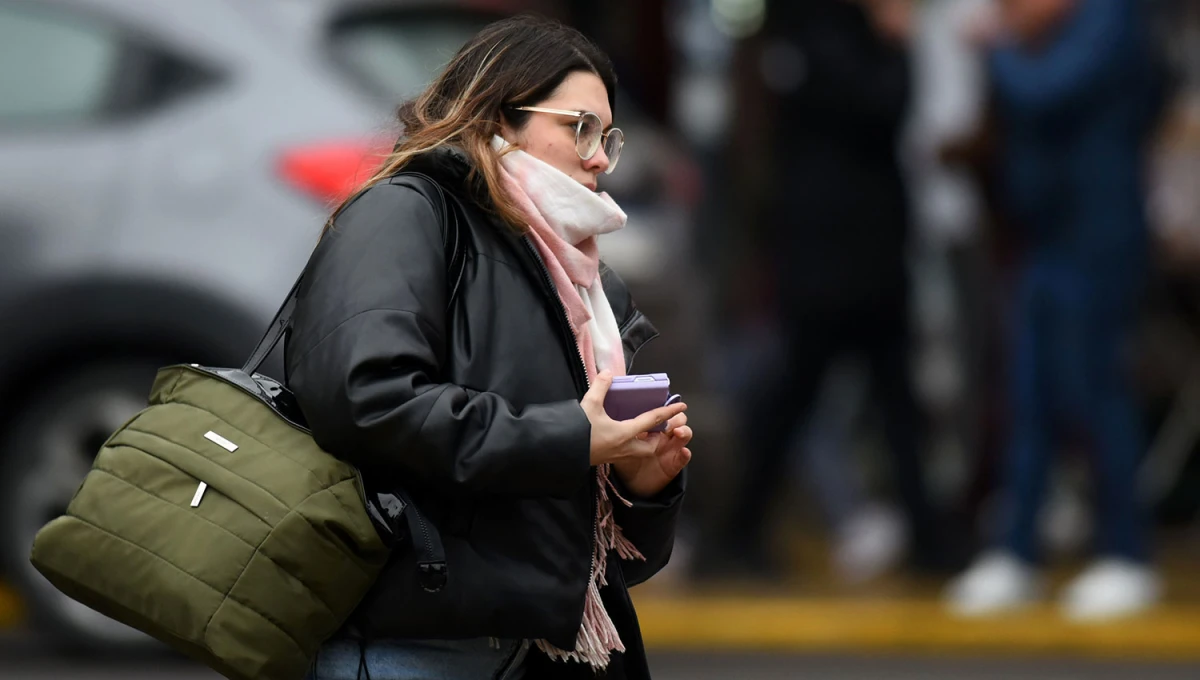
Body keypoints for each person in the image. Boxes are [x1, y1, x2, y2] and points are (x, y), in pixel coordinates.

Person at [283, 15, 693, 680]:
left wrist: (640, 486)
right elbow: (365, 400)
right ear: (498, 118)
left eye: (607, 137)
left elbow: (588, 547)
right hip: (418, 648)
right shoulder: (406, 212)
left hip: (542, 648)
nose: (598, 157)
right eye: (577, 127)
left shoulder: (582, 279)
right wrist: (572, 437)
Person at [946, 0, 1170, 621]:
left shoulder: (1112, 18)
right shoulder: (1061, 27)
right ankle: (1017, 553)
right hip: (1044, 234)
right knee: (1029, 398)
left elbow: (1046, 90)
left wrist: (1000, 44)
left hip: (1098, 232)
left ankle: (1127, 554)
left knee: (1098, 393)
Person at [711, 0, 949, 577]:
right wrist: (895, 42)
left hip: (861, 251)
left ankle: (927, 539)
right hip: (829, 256)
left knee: (892, 399)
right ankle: (736, 534)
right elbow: (881, 105)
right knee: (798, 395)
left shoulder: (819, 34)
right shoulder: (816, 33)